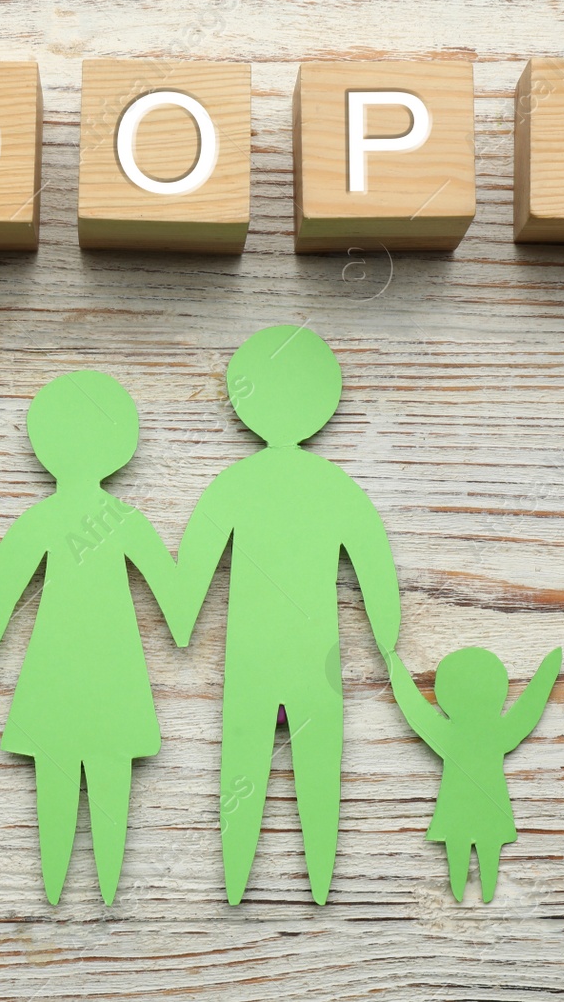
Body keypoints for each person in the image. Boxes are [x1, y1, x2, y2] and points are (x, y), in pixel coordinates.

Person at [171, 325, 405, 905]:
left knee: (242, 762)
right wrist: (388, 643)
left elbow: (188, 586)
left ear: (244, 401)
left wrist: (178, 616)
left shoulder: (235, 483)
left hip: (249, 658)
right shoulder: (334, 485)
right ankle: (320, 881)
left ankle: (236, 881)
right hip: (317, 659)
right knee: (319, 763)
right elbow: (376, 572)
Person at [0, 369, 185, 904]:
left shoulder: (41, 518)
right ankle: (107, 886)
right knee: (111, 769)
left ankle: (55, 883)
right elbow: (175, 603)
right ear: (122, 446)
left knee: (56, 770)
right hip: (115, 674)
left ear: (44, 446)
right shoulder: (123, 518)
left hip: (52, 673)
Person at [390, 646, 562, 902]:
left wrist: (392, 659)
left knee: (460, 847)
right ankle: (479, 890)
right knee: (484, 847)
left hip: (457, 809)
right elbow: (529, 707)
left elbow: (413, 706)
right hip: (487, 809)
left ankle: (464, 891)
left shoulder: (447, 734)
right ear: (499, 691)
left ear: (443, 694)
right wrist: (547, 673)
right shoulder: (498, 732)